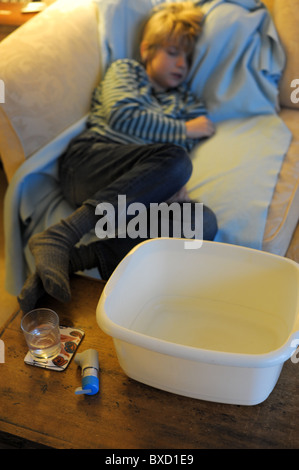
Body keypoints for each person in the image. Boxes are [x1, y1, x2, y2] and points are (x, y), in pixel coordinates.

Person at [18, 1, 217, 312]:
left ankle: (74, 258)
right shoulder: (128, 70)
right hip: (89, 164)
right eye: (173, 52)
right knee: (177, 159)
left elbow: (175, 158)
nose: (182, 64)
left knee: (200, 222)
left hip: (132, 195)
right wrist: (186, 130)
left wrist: (168, 185)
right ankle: (65, 232)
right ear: (147, 49)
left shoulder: (185, 100)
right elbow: (123, 116)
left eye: (188, 58)